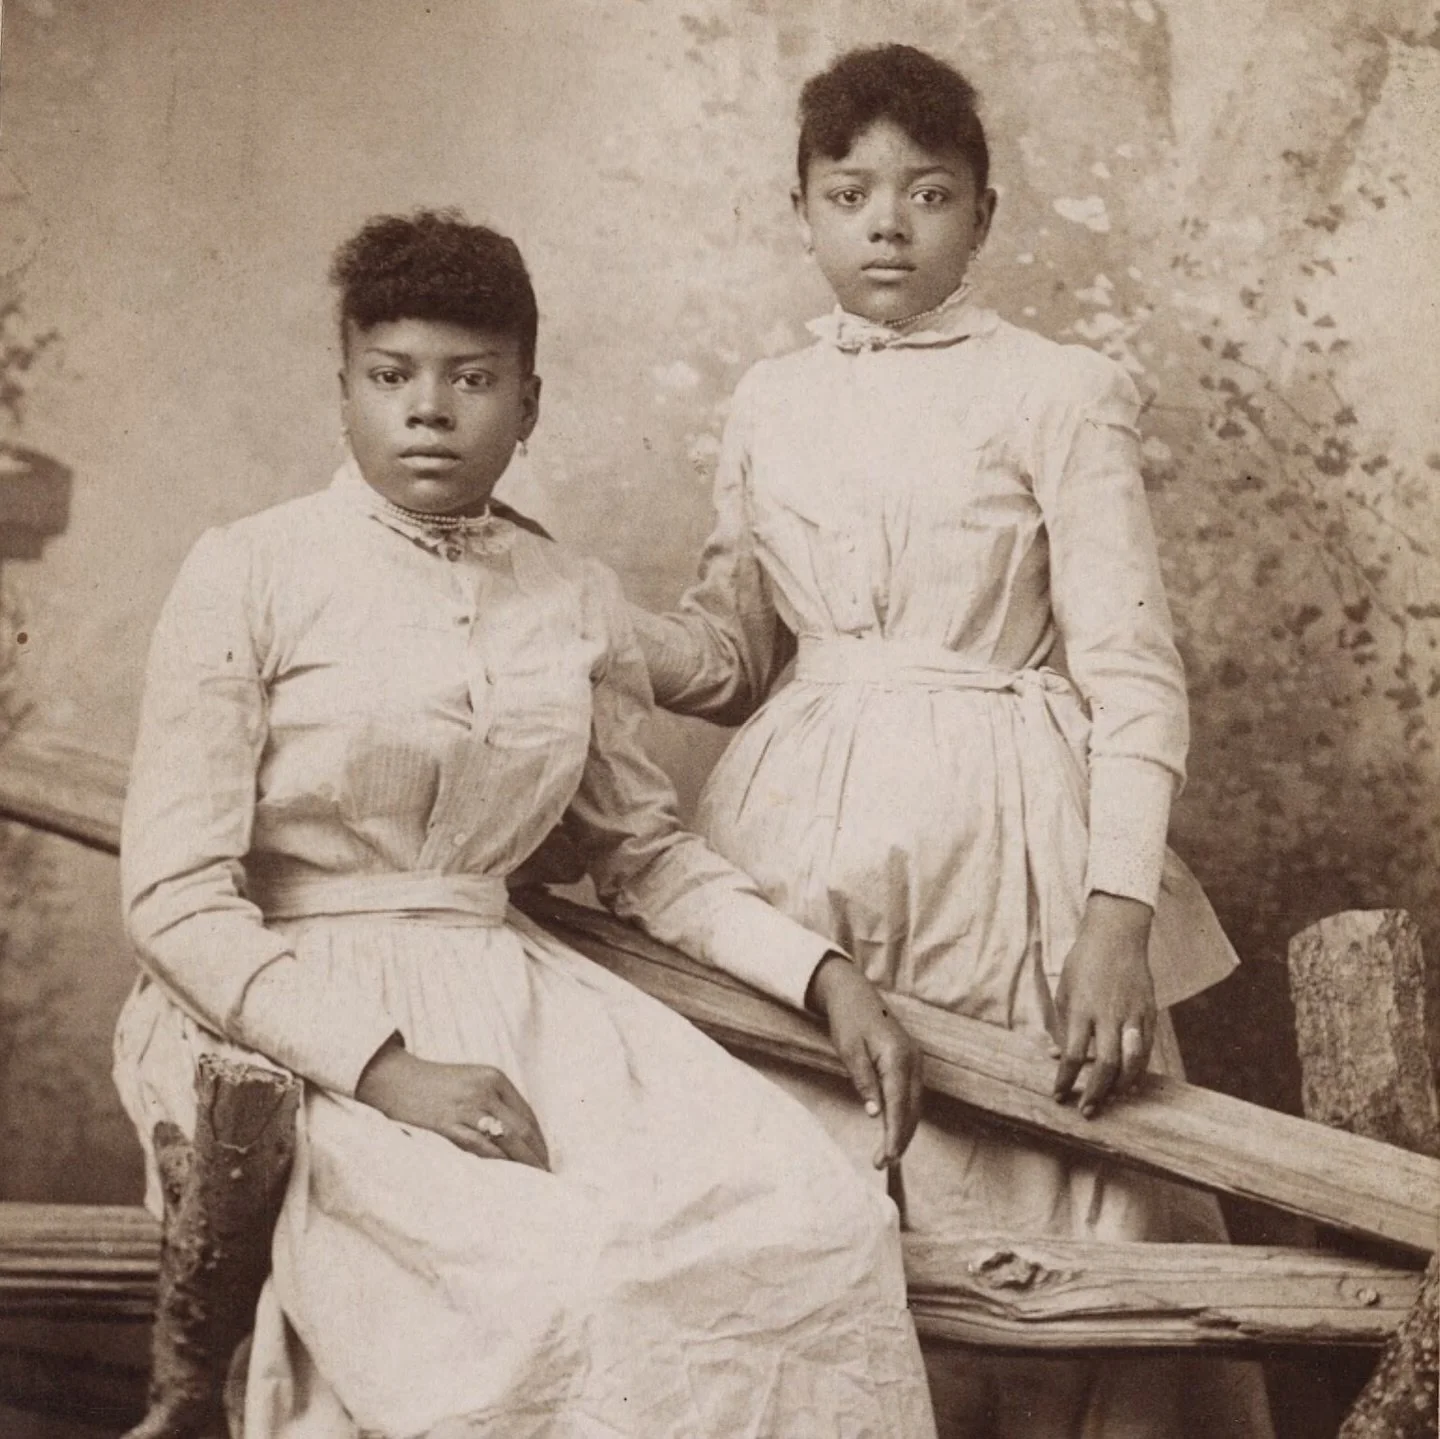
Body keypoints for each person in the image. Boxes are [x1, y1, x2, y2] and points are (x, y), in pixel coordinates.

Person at [112, 209, 938, 1439]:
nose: (428, 411)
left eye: (472, 378)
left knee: (807, 1220)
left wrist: (824, 977)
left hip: (513, 990)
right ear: (343, 392)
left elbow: (644, 855)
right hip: (286, 1017)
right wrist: (388, 1069)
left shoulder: (567, 594)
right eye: (391, 376)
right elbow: (174, 898)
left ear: (529, 402)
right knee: (555, 1277)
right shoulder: (251, 569)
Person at [629, 44, 1275, 1439]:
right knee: (809, 1204)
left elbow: (1131, 669)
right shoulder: (770, 399)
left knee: (1047, 1205)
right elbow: (735, 656)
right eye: (849, 192)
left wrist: (1117, 915)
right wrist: (582, 629)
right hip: (800, 849)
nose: (887, 224)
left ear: (983, 213)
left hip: (1007, 848)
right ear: (801, 209)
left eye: (927, 193)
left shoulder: (1058, 387)